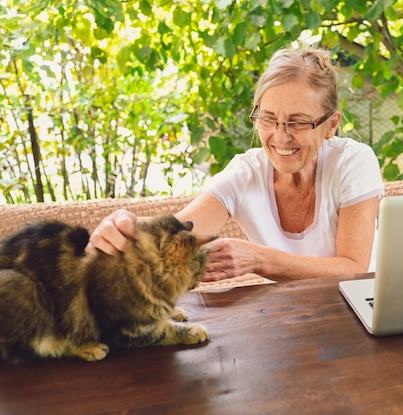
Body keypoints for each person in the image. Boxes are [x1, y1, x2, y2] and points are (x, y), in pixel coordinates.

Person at [88, 44, 384, 281]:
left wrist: (258, 259)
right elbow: (178, 233)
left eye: (299, 122)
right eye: (268, 119)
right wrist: (126, 230)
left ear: (331, 125)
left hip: (361, 312)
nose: (281, 137)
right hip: (295, 317)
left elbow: (353, 268)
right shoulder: (246, 172)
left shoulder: (354, 162)